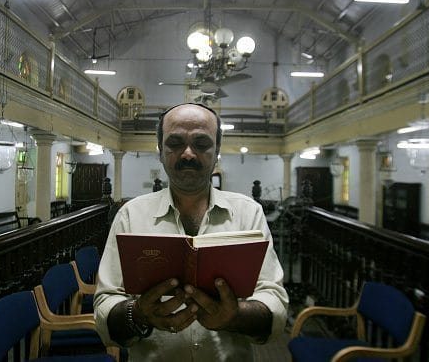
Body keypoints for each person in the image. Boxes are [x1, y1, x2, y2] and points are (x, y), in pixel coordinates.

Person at [94, 103, 288, 361]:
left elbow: (273, 299)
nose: (187, 154)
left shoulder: (247, 213)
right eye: (174, 143)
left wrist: (235, 316)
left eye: (201, 143)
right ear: (160, 151)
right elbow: (106, 304)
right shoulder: (131, 215)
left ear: (217, 151)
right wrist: (139, 314)